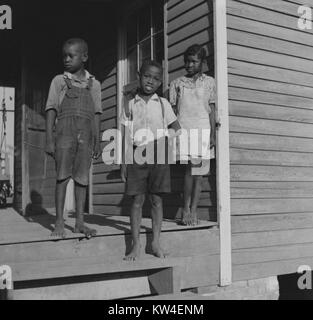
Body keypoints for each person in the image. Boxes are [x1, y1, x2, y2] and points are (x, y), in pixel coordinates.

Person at [120, 60, 181, 261]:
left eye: (156, 78)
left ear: (160, 82)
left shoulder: (163, 104)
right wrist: (124, 161)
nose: (151, 81)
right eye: (147, 76)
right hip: (137, 154)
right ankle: (135, 244)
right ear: (139, 75)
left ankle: (155, 242)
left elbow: (176, 128)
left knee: (157, 199)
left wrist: (163, 140)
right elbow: (125, 133)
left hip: (159, 154)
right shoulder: (130, 104)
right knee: (137, 200)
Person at [45, 38, 102, 238]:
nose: (66, 60)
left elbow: (96, 114)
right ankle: (59, 222)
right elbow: (51, 109)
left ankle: (79, 222)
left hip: (86, 137)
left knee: (82, 179)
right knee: (62, 177)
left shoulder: (95, 85)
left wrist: (97, 139)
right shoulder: (59, 81)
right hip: (64, 135)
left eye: (71, 55)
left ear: (84, 57)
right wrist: (49, 139)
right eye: (64, 56)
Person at [169, 44, 216, 226]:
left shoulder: (209, 82)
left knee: (200, 173)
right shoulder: (177, 84)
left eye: (193, 61)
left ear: (202, 62)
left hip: (203, 129)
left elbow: (211, 109)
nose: (189, 65)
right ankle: (186, 208)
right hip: (185, 130)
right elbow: (173, 112)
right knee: (190, 170)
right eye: (186, 61)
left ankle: (194, 210)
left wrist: (212, 134)